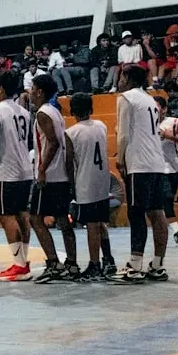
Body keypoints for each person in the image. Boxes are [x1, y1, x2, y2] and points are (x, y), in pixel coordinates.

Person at [110, 64, 170, 283]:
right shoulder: (150, 100)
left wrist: (119, 158)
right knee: (157, 213)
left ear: (127, 78)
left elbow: (124, 134)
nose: (119, 80)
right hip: (156, 162)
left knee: (136, 213)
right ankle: (158, 265)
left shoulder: (126, 97)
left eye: (121, 76)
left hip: (139, 163)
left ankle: (135, 266)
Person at [0, 70, 34, 282]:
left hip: (9, 171)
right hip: (25, 169)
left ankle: (19, 265)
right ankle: (23, 260)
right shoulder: (24, 112)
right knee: (22, 214)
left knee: (6, 216)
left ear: (1, 88)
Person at [28, 74, 78, 283]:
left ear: (39, 91)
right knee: (63, 221)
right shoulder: (56, 112)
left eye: (32, 88)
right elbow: (66, 143)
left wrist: (41, 169)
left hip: (49, 177)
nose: (29, 92)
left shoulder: (42, 113)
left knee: (35, 219)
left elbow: (53, 143)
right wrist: (70, 174)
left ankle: (53, 263)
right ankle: (72, 265)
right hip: (61, 175)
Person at [64, 93, 113, 282]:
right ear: (91, 109)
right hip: (102, 178)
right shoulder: (101, 125)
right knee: (101, 222)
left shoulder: (72, 132)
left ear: (72, 110)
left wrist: (71, 184)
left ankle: (94, 264)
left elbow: (69, 162)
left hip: (86, 180)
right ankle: (108, 259)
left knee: (91, 224)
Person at [153, 96, 178, 249]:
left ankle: (165, 228)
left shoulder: (173, 122)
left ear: (164, 109)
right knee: (167, 199)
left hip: (174, 167)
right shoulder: (148, 124)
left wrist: (170, 137)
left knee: (169, 200)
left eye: (156, 108)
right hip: (157, 168)